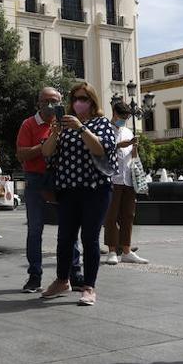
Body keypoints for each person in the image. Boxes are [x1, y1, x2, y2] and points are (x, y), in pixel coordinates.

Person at [39, 82, 118, 306]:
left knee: (89, 239)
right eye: (74, 98)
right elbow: (46, 152)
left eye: (83, 98)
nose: (78, 103)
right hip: (68, 189)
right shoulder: (62, 124)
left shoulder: (101, 123)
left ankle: (89, 287)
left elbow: (100, 149)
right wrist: (55, 133)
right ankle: (62, 280)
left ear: (92, 101)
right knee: (65, 238)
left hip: (95, 189)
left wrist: (82, 129)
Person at [15, 87, 81, 292]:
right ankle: (35, 275)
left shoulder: (67, 122)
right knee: (35, 229)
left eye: (55, 100)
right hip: (36, 179)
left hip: (63, 178)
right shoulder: (29, 124)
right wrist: (44, 145)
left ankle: (74, 272)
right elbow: (21, 155)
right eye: (46, 101)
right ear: (38, 104)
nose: (50, 104)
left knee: (70, 227)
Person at [103, 121, 147, 265]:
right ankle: (112, 251)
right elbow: (101, 150)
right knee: (111, 216)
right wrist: (119, 145)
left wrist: (134, 147)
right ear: (115, 114)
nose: (123, 119)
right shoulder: (106, 130)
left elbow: (133, 156)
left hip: (128, 179)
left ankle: (126, 251)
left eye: (126, 117)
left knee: (128, 215)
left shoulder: (128, 131)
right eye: (122, 116)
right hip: (112, 178)